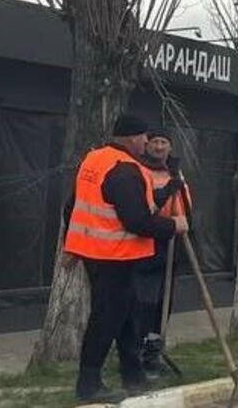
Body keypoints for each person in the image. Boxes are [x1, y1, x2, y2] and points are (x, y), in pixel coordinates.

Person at [60, 113, 185, 403]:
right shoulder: (126, 170)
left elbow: (72, 206)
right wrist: (172, 226)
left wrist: (72, 246)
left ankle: (133, 375)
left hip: (96, 253)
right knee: (106, 319)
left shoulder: (94, 160)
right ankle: (89, 383)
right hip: (113, 256)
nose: (147, 143)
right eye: (144, 137)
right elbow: (138, 221)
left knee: (127, 317)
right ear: (132, 138)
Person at [134, 128, 187, 374]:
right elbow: (144, 208)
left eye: (163, 142)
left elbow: (186, 208)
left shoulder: (175, 172)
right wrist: (167, 190)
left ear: (170, 147)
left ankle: (154, 351)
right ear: (147, 145)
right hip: (146, 243)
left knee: (163, 304)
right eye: (154, 141)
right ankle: (137, 350)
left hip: (171, 244)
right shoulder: (140, 170)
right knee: (145, 302)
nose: (158, 146)